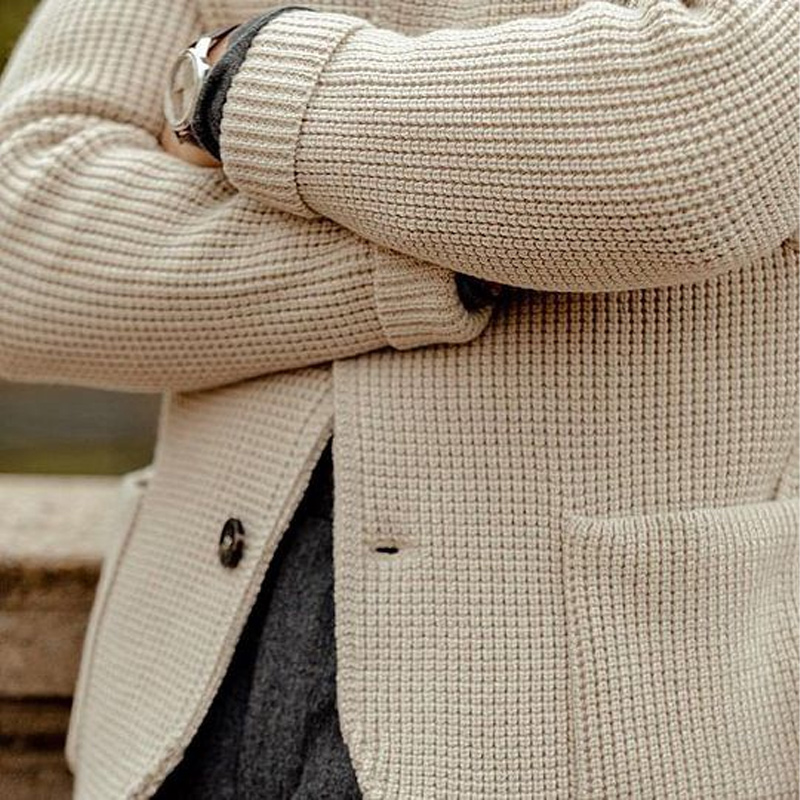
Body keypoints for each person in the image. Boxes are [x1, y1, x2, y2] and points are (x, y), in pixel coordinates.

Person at [0, 0, 797, 797]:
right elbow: (21, 225)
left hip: (602, 703)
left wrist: (235, 77)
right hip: (190, 691)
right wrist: (463, 251)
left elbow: (695, 151)